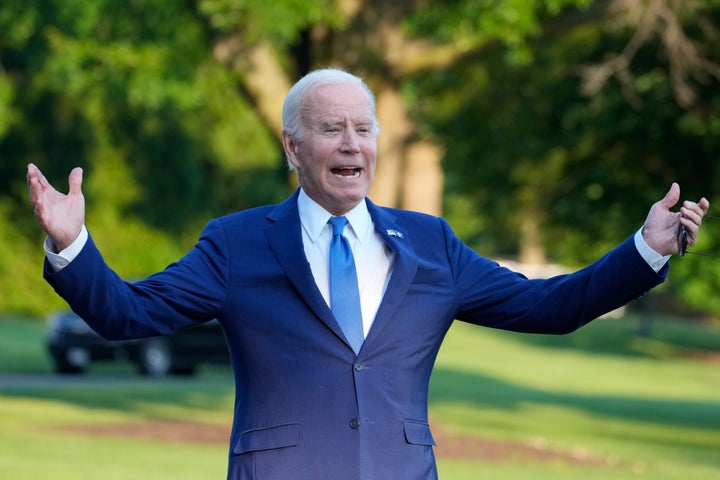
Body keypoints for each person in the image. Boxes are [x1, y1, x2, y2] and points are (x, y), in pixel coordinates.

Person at [28, 68, 709, 480]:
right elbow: (126, 314)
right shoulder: (236, 244)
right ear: (293, 147)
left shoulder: (430, 243)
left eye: (364, 128)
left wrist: (642, 250)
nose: (352, 144)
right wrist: (73, 245)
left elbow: (550, 307)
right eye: (331, 129)